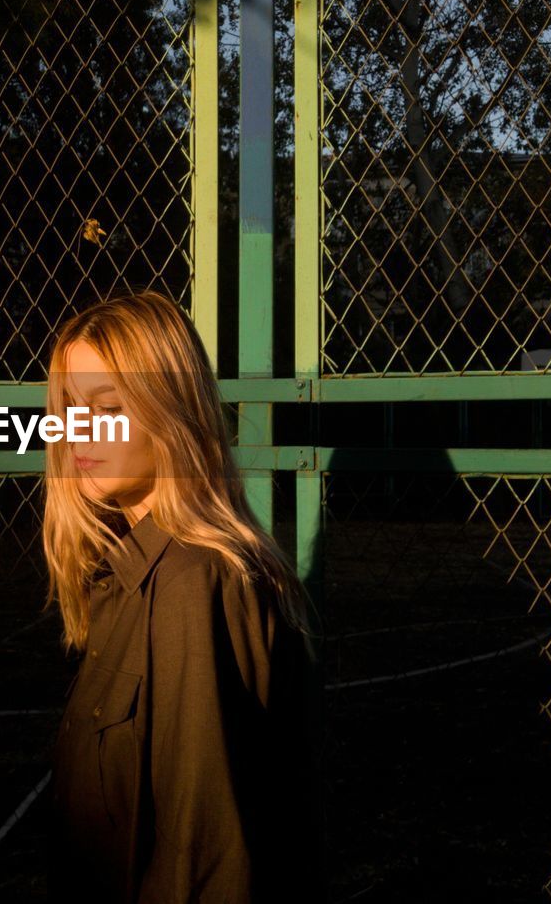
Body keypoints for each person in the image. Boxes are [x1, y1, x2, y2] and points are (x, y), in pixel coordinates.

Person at [39, 290, 327, 902]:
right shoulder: (130, 573)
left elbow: (206, 859)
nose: (76, 430)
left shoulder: (195, 585)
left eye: (107, 406)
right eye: (68, 407)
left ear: (170, 410)